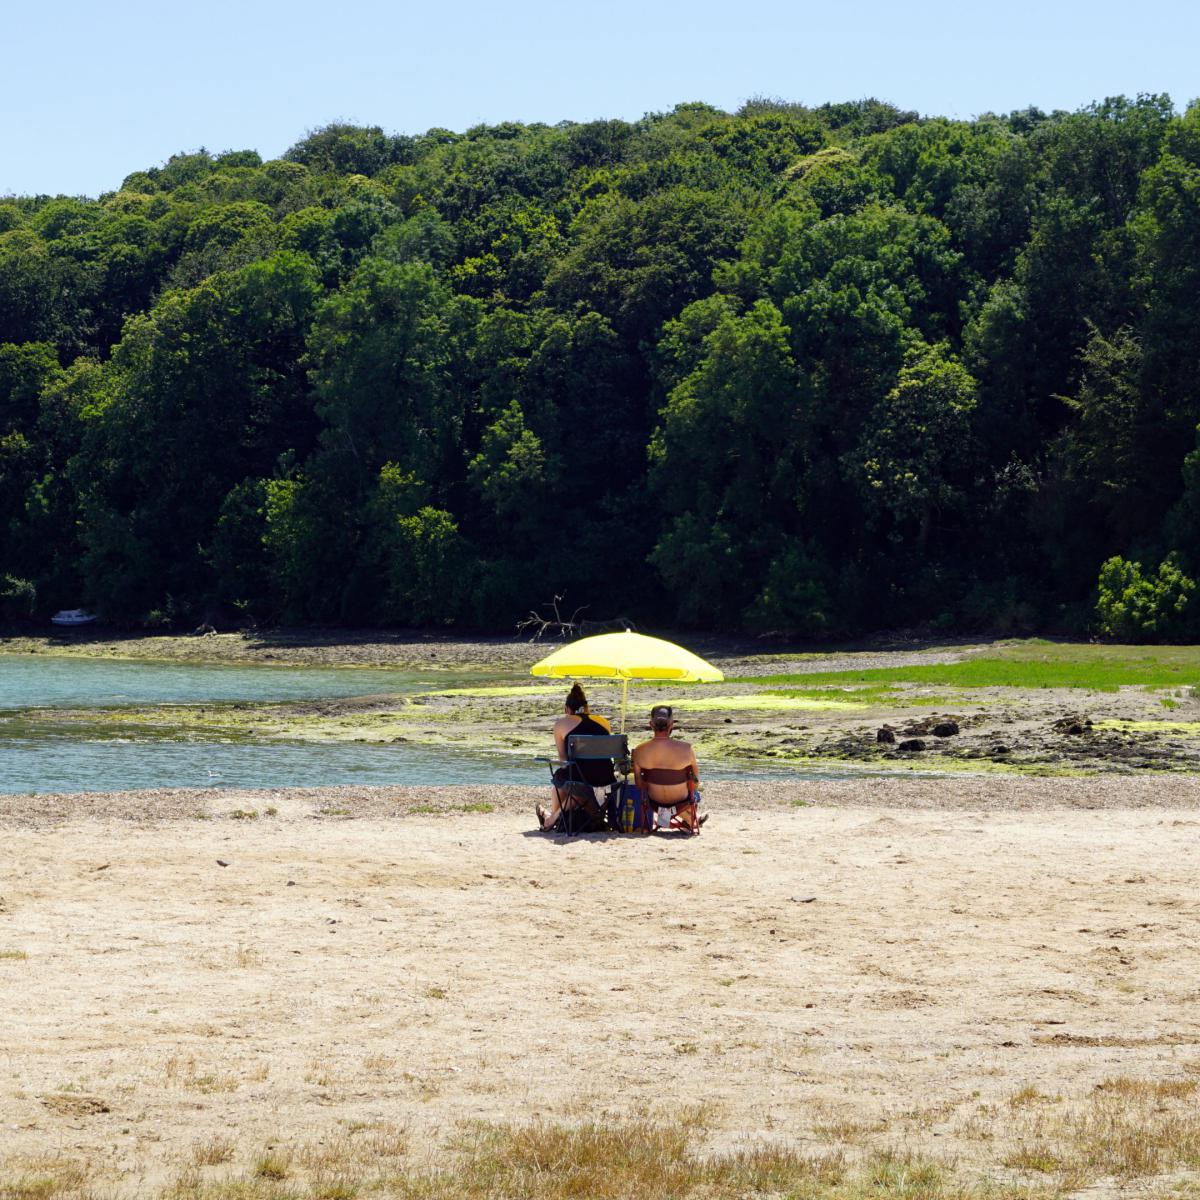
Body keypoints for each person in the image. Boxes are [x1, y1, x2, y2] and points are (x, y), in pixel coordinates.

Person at [536, 683, 613, 831]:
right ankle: (560, 818)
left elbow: (563, 759)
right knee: (569, 780)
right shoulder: (604, 723)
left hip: (581, 779)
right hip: (606, 777)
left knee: (562, 778)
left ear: (566, 709)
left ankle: (553, 820)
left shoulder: (561, 724)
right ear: (587, 708)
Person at [630, 704, 706, 830]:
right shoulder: (686, 749)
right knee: (694, 791)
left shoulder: (639, 751)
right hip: (681, 802)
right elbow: (695, 783)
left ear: (651, 725)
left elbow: (639, 784)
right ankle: (691, 820)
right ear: (671, 726)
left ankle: (669, 820)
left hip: (654, 802)